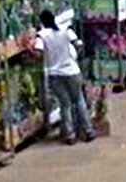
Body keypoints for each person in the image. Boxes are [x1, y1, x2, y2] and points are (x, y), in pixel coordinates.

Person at [34, 9, 94, 145]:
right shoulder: (65, 29)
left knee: (64, 104)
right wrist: (72, 57)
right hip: (72, 70)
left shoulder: (42, 35)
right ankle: (87, 130)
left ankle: (70, 134)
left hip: (54, 74)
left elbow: (38, 52)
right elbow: (78, 44)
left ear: (42, 22)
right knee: (79, 100)